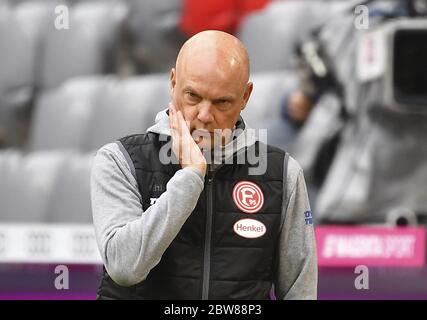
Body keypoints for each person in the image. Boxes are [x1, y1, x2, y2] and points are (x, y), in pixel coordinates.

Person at [91, 30, 317, 300]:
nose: (205, 115)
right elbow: (124, 267)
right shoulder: (119, 160)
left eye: (222, 102)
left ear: (245, 96)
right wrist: (190, 177)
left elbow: (300, 293)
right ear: (173, 83)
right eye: (193, 97)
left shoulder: (283, 173)